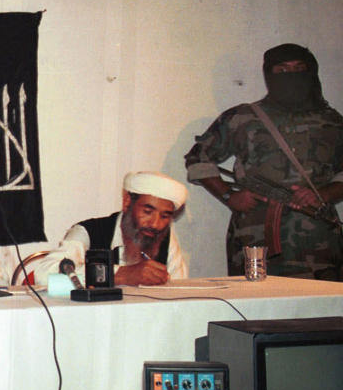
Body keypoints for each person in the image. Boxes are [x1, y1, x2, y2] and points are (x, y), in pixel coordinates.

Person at [185, 44, 343, 280]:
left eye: (299, 68)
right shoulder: (244, 117)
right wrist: (230, 196)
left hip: (318, 242)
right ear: (269, 75)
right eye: (282, 70)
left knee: (320, 311)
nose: (291, 75)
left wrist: (324, 194)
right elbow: (198, 159)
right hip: (255, 238)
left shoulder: (331, 121)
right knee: (254, 308)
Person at [29, 171, 188, 286]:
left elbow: (180, 287)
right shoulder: (88, 232)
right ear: (127, 202)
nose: (155, 224)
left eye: (165, 216)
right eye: (147, 212)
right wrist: (121, 275)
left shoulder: (165, 237)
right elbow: (43, 276)